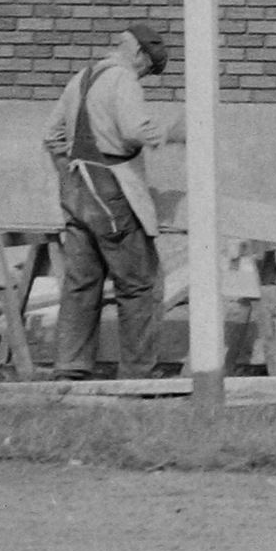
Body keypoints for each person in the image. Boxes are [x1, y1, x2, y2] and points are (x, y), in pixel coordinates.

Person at [41, 24, 176, 377]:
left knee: (81, 283)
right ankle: (137, 372)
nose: (145, 75)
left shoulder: (82, 77)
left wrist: (68, 172)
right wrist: (167, 135)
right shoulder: (124, 79)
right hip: (110, 189)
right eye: (148, 68)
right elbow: (133, 129)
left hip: (75, 187)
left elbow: (53, 135)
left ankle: (70, 366)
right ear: (139, 55)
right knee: (138, 283)